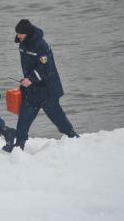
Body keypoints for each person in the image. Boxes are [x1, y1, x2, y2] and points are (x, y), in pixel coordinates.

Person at [7, 19, 79, 152]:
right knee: (23, 121)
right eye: (17, 33)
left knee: (60, 121)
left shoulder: (41, 45)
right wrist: (27, 81)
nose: (18, 36)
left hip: (48, 91)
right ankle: (18, 147)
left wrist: (31, 79)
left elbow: (46, 69)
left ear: (27, 33)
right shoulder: (22, 44)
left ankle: (74, 138)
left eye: (20, 34)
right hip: (32, 91)